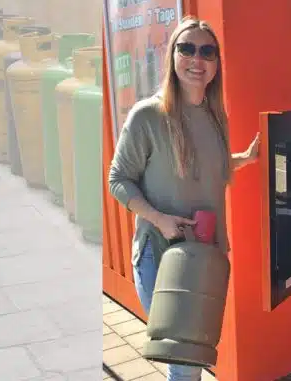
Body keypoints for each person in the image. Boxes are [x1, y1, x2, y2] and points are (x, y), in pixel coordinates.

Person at [108, 16, 259, 381]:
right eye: (187, 48)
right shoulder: (148, 115)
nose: (197, 59)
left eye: (207, 51)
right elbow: (119, 180)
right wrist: (159, 219)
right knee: (185, 362)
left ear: (216, 64)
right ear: (172, 55)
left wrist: (246, 158)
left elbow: (210, 168)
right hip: (162, 256)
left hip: (205, 256)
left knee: (192, 358)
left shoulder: (215, 116)